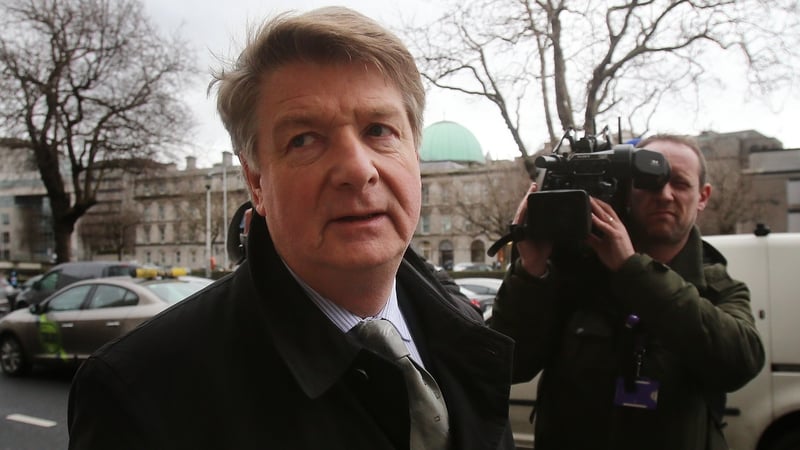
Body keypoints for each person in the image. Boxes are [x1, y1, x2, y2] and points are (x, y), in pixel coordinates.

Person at [68, 7, 516, 450]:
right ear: (256, 182)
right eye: (304, 139)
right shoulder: (139, 394)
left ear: (415, 156)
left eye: (379, 130)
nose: (357, 170)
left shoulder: (462, 323)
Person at [490, 134, 765, 450]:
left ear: (702, 196)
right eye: (649, 182)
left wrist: (632, 268)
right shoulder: (576, 275)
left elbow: (739, 363)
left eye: (680, 183)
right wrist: (531, 270)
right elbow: (507, 366)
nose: (664, 195)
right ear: (628, 191)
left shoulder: (717, 286)